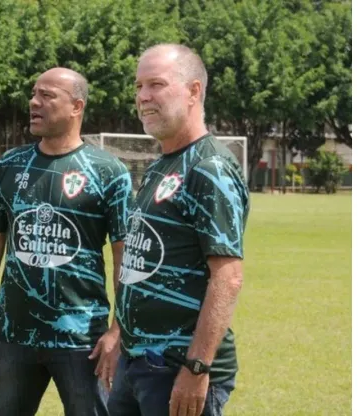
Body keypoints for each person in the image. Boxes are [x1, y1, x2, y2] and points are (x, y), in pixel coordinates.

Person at [0, 67, 133, 416]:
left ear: (76, 107)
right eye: (34, 94)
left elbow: (124, 257)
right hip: (14, 335)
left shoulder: (108, 172)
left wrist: (118, 330)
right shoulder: (11, 165)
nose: (33, 102)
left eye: (47, 95)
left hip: (82, 341)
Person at [104, 43, 250, 416]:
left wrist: (197, 367)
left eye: (156, 84)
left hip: (177, 366)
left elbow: (228, 277)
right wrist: (121, 335)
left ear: (193, 91)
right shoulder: (161, 165)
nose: (143, 97)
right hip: (138, 360)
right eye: (138, 87)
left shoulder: (210, 167)